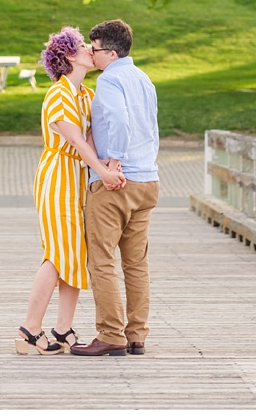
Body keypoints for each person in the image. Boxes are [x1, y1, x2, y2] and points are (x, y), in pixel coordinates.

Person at [15, 25, 126, 356]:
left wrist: (108, 165)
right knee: (58, 254)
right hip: (57, 179)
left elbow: (91, 140)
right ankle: (29, 331)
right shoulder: (58, 95)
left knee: (75, 254)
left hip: (78, 179)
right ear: (67, 56)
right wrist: (102, 171)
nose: (89, 50)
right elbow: (77, 142)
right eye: (81, 46)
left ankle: (63, 329)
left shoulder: (85, 95)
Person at [71, 19, 160, 358]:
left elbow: (120, 121)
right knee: (136, 263)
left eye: (94, 50)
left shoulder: (109, 80)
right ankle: (137, 334)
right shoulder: (142, 78)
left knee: (102, 259)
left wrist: (115, 161)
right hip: (148, 180)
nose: (90, 55)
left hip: (116, 184)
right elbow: (149, 126)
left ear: (109, 52)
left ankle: (111, 334)